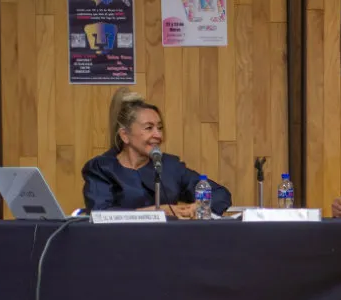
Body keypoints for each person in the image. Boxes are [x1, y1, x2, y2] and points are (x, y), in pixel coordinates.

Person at [81, 88, 232, 218]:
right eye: (149, 128)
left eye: (159, 128)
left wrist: (198, 207)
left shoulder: (170, 166)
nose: (158, 135)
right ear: (124, 135)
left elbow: (220, 194)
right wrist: (157, 213)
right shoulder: (101, 168)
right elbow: (100, 213)